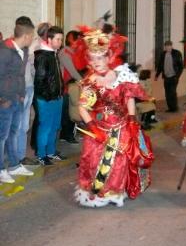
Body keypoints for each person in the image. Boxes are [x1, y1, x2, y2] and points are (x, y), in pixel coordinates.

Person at [74, 28, 154, 207]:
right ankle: (97, 193)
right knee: (93, 160)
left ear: (109, 57)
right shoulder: (89, 82)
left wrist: (132, 120)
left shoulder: (121, 76)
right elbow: (82, 108)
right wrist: (92, 127)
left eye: (100, 58)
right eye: (93, 59)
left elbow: (129, 98)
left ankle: (114, 192)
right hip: (98, 130)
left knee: (119, 162)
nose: (97, 62)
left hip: (120, 127)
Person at [0, 17, 36, 183]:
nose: (32, 39)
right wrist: (2, 99)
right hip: (5, 101)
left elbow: (20, 76)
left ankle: (14, 165)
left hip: (17, 99)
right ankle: (1, 170)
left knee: (13, 133)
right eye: (32, 36)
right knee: (2, 136)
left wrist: (21, 95)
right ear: (26, 36)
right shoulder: (5, 50)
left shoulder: (25, 51)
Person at [34, 25, 65, 166]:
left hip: (57, 97)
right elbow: (40, 80)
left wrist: (59, 93)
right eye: (57, 39)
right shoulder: (42, 56)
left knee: (54, 126)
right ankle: (41, 155)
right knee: (45, 127)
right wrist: (48, 96)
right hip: (47, 99)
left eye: (61, 39)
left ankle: (51, 152)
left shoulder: (54, 54)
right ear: (49, 39)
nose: (60, 42)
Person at [58, 30, 83, 144]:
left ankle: (67, 134)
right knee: (69, 112)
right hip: (67, 87)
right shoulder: (65, 53)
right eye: (78, 39)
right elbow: (72, 72)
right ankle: (67, 134)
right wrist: (83, 81)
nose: (80, 41)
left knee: (72, 111)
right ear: (71, 39)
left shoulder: (74, 53)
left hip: (74, 86)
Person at [155, 40, 183, 112]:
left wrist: (177, 76)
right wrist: (157, 75)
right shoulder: (163, 54)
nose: (168, 48)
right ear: (165, 47)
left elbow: (181, 66)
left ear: (171, 46)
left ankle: (174, 107)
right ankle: (170, 108)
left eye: (169, 46)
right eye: (166, 47)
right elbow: (160, 65)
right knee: (167, 93)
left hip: (174, 76)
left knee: (172, 92)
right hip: (166, 77)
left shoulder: (177, 53)